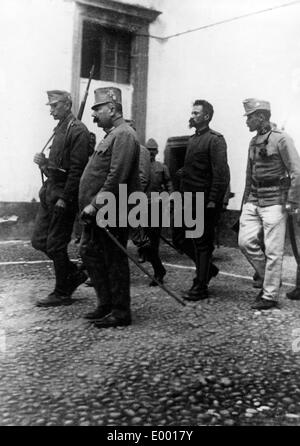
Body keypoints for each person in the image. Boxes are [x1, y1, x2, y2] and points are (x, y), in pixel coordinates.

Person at [79, 87, 140, 328]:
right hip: (100, 210)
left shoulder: (124, 135)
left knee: (114, 260)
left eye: (98, 110)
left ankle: (121, 312)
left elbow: (117, 176)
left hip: (112, 209)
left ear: (113, 109)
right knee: (90, 253)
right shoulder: (112, 135)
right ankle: (106, 303)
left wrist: (95, 204)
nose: (94, 116)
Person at [239, 98, 300, 310]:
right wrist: (245, 200)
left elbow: (296, 171)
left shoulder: (281, 139)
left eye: (249, 117)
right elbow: (249, 174)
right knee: (245, 242)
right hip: (254, 198)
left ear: (262, 117)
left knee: (274, 251)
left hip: (275, 200)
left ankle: (270, 295)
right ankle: (270, 280)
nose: (247, 121)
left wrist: (292, 200)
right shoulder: (253, 142)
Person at [32, 90, 90, 306]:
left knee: (56, 245)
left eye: (55, 106)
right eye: (50, 106)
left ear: (67, 105)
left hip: (64, 196)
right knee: (39, 241)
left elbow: (77, 171)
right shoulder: (59, 130)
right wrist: (43, 162)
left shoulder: (78, 131)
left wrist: (65, 198)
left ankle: (62, 292)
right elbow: (56, 168)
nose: (51, 110)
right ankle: (73, 274)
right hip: (50, 192)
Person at [181, 99, 230, 301]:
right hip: (188, 199)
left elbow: (221, 174)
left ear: (206, 116)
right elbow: (197, 168)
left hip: (204, 201)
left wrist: (212, 201)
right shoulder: (193, 140)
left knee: (202, 243)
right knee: (180, 238)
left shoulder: (215, 140)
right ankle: (207, 269)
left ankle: (200, 285)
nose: (191, 116)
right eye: (191, 113)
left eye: (195, 113)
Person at [140, 138, 173, 286]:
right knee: (144, 241)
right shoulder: (140, 167)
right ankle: (158, 269)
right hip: (141, 206)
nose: (151, 153)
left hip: (157, 206)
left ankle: (158, 271)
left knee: (152, 241)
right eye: (148, 150)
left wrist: (171, 199)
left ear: (157, 151)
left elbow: (169, 183)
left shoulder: (162, 167)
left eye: (153, 150)